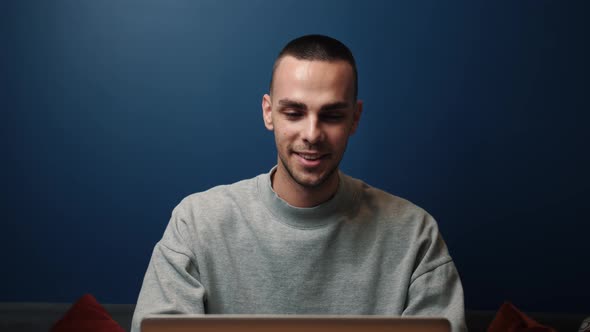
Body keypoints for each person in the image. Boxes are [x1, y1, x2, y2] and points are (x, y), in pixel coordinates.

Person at [131, 34, 466, 332]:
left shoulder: (414, 233)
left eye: (332, 115)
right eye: (293, 113)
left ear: (355, 118)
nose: (312, 134)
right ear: (268, 113)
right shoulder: (196, 222)